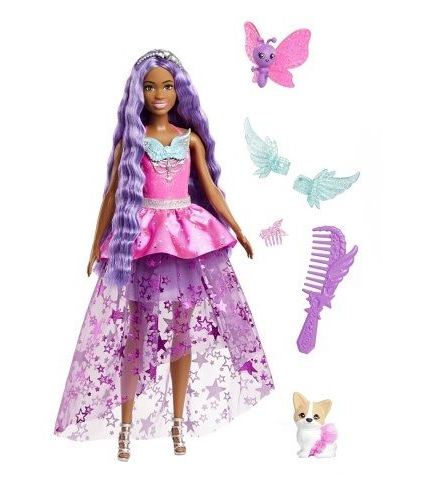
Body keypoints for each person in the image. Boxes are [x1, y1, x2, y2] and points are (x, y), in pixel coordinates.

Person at [54, 49, 274, 462]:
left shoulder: (189, 140)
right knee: (135, 332)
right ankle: (125, 427)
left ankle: (177, 421)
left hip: (185, 240)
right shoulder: (132, 143)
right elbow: (111, 196)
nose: (159, 94)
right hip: (144, 241)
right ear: (139, 92)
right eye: (151, 86)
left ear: (178, 92)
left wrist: (239, 230)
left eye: (167, 86)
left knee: (182, 331)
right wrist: (95, 244)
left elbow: (210, 191)